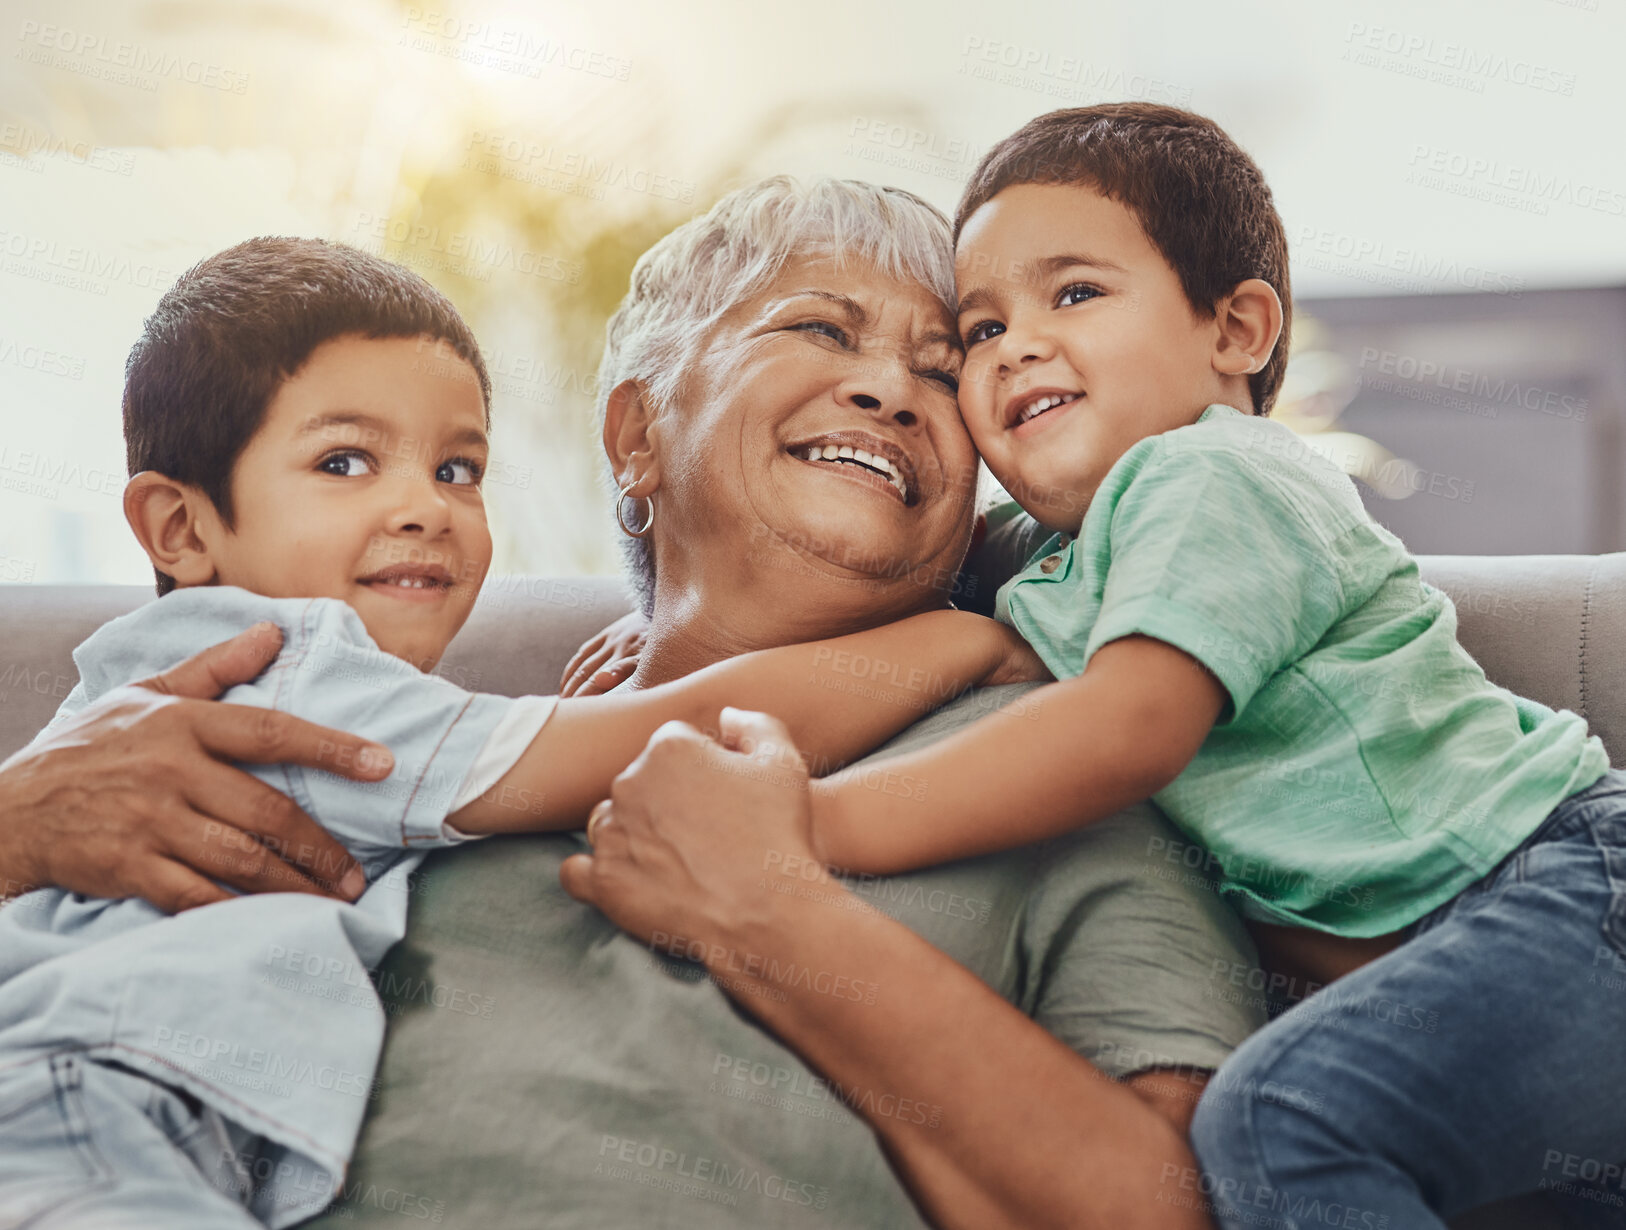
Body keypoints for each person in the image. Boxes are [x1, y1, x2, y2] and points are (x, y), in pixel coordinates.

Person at [1, 179, 1264, 1230]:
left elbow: (1164, 1206)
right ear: (638, 435)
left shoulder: (1049, 763)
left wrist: (779, 917)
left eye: (943, 374)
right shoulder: (364, 729)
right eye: (821, 331)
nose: (892, 390)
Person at [733, 104, 1626, 1228]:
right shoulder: (1059, 561)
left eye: (1074, 294)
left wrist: (807, 828)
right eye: (981, 329)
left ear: (1238, 331)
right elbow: (895, 566)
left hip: (1567, 890)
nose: (1016, 347)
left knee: (1280, 1124)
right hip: (1483, 963)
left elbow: (1126, 728)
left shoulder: (1212, 478)